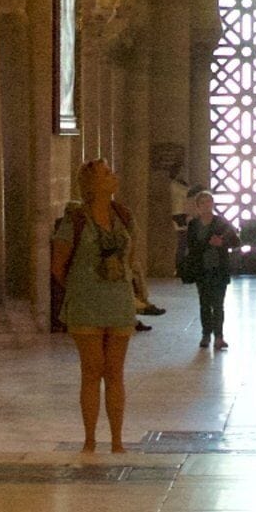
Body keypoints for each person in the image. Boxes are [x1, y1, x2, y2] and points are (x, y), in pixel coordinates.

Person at [49, 158, 148, 454]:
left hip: (117, 303)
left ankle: (117, 440)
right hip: (87, 305)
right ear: (94, 183)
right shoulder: (76, 220)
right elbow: (58, 265)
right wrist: (81, 288)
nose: (113, 176)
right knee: (92, 371)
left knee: (115, 372)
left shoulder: (123, 215)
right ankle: (90, 439)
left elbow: (130, 256)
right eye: (107, 174)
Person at [178, 197, 238, 351]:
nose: (207, 205)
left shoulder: (221, 222)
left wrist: (222, 243)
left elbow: (236, 241)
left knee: (218, 304)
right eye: (203, 202)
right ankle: (206, 334)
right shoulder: (194, 225)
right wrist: (208, 243)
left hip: (219, 268)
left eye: (209, 202)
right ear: (198, 206)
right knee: (204, 303)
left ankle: (219, 336)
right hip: (202, 268)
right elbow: (191, 246)